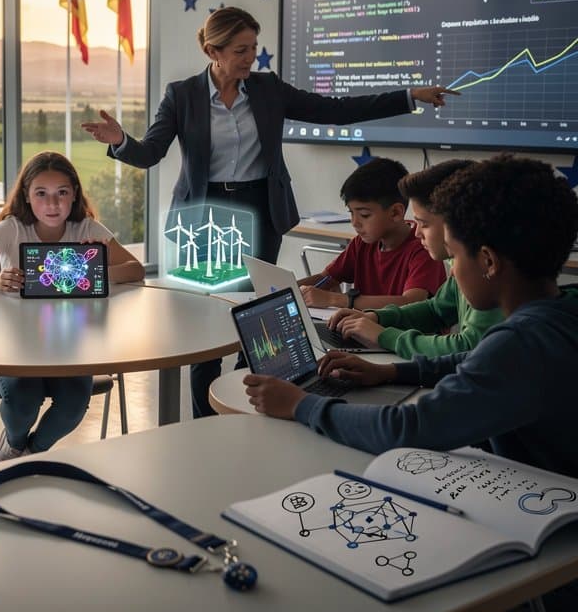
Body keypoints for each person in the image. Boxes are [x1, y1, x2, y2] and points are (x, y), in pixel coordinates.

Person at [81, 6, 457, 418]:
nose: (250, 58)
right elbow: (150, 153)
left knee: (256, 320)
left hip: (260, 210)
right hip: (205, 219)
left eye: (253, 47)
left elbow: (335, 109)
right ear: (213, 51)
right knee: (206, 325)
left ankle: (245, 408)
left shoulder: (267, 89)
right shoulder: (182, 95)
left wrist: (409, 97)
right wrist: (120, 140)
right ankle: (206, 421)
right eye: (240, 50)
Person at [244, 154, 578, 476]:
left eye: (455, 255)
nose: (451, 270)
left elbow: (408, 428)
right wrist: (390, 372)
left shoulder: (522, 344)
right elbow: (474, 360)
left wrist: (301, 405)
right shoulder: (559, 314)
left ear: (488, 261)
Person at [0, 151, 145, 463]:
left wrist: (97, 271)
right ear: (26, 195)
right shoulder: (12, 229)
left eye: (61, 193)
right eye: (41, 194)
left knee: (73, 404)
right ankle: (14, 445)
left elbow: (135, 269)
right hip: (13, 345)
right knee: (23, 401)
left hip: (69, 346)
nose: (53, 204)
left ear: (74, 194)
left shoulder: (87, 229)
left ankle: (28, 453)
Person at [326, 159, 503, 356]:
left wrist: (384, 336)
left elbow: (468, 348)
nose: (417, 232)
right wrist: (377, 318)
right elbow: (436, 310)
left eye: (424, 224)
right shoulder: (461, 262)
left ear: (455, 221)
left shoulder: (484, 271)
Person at [298, 157, 447, 312]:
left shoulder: (423, 248)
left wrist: (334, 299)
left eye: (364, 215)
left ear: (395, 213)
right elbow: (325, 279)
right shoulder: (361, 243)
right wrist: (287, 291)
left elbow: (410, 302)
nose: (354, 222)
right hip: (365, 325)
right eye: (351, 213)